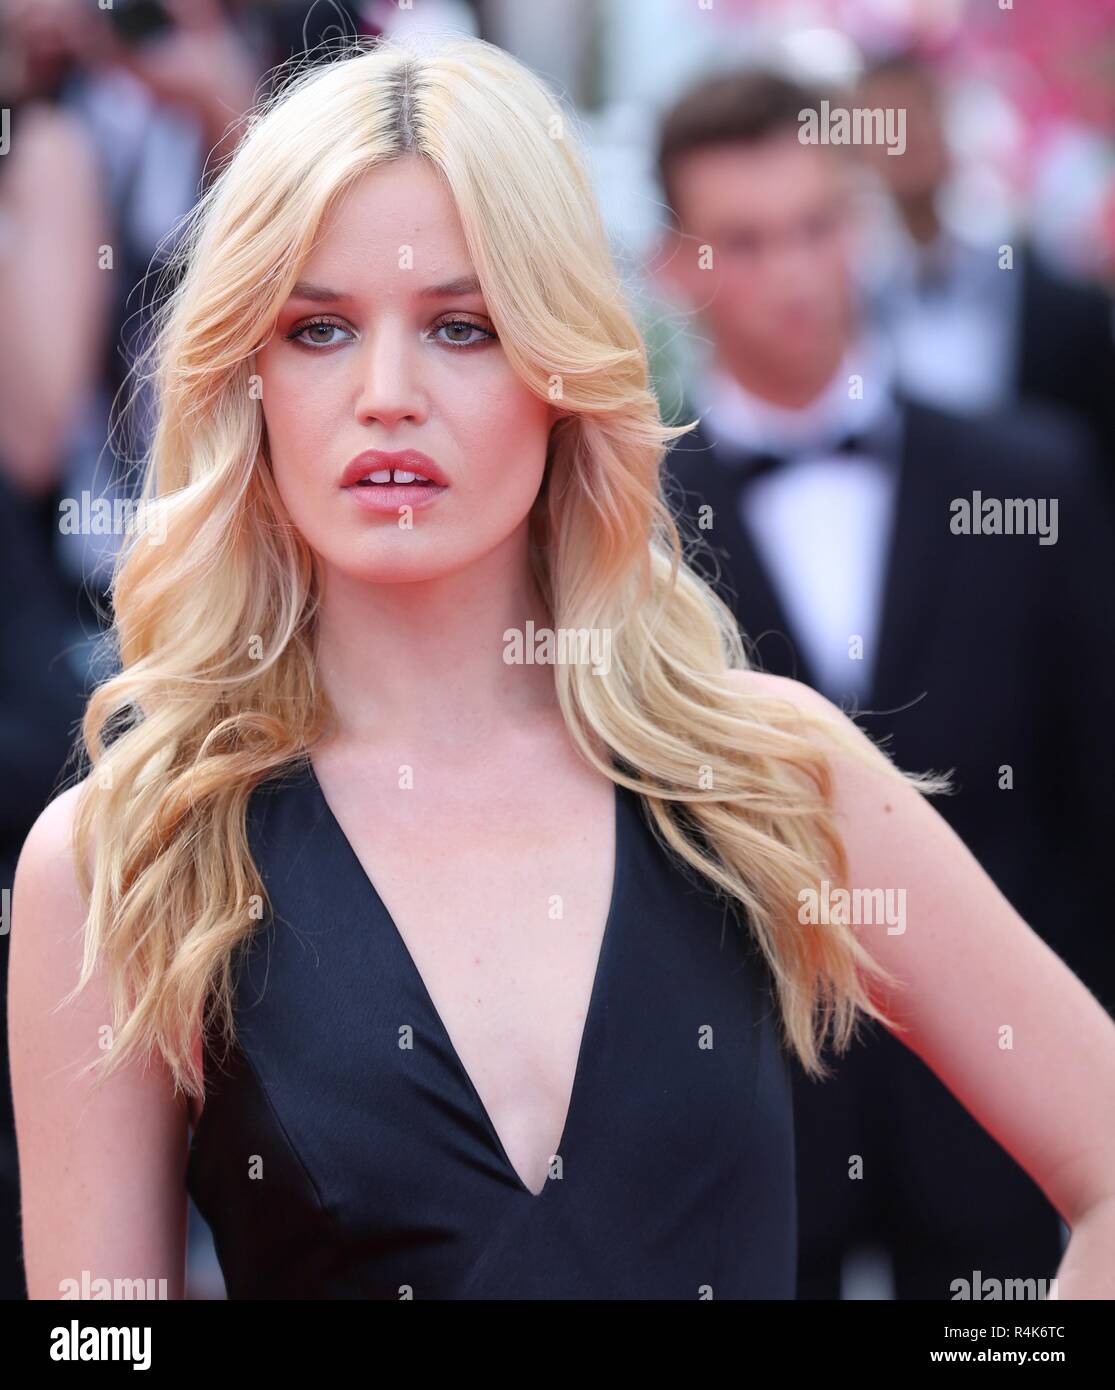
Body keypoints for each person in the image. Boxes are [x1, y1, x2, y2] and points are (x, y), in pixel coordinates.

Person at [7, 34, 1115, 1302]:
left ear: (559, 363)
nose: (384, 394)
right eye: (316, 327)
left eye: (461, 327)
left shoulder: (767, 773)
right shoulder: (127, 855)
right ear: (246, 376)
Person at [653, 67, 1115, 1298]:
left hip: (1017, 1144)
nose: (793, 272)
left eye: (813, 225)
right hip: (749, 1145)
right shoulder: (625, 540)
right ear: (675, 267)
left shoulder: (1036, 479)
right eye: (743, 241)